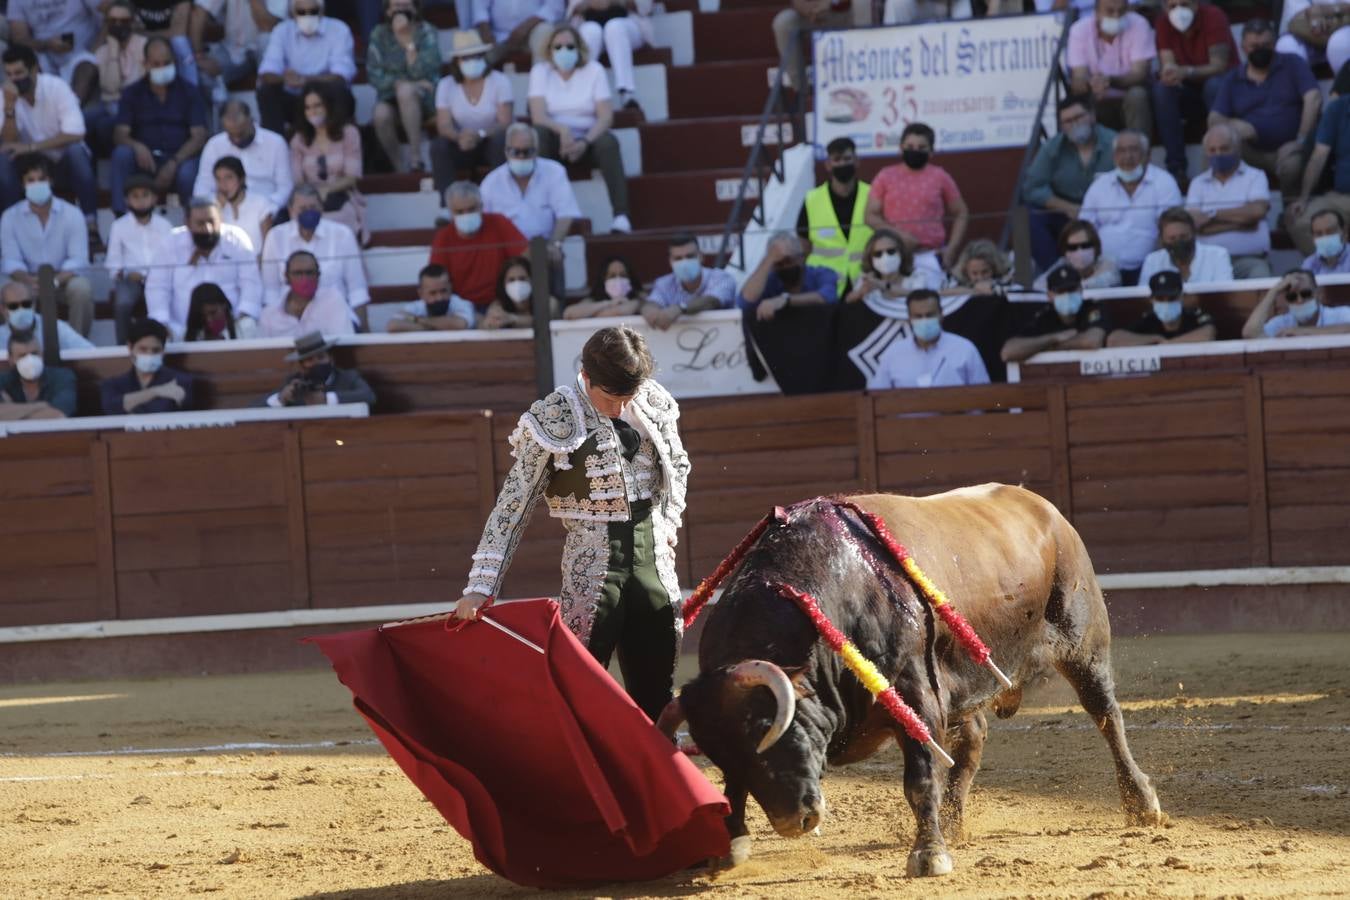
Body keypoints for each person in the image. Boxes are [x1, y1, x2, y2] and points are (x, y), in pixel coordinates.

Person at [455, 324, 691, 723]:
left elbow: (679, 467)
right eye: (610, 398)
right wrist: (481, 585)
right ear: (586, 376)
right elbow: (513, 504)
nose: (619, 408)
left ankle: (650, 782)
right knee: (578, 690)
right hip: (593, 569)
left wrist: (668, 524)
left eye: (627, 397)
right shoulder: (553, 418)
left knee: (657, 696)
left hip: (655, 568)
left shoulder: (653, 402)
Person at [528, 24, 631, 233]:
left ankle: (621, 216)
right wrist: (563, 130)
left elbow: (605, 118)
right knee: (537, 135)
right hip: (555, 138)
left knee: (609, 142)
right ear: (549, 51)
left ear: (579, 48)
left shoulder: (594, 70)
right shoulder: (540, 72)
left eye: (569, 46)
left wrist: (584, 142)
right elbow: (538, 116)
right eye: (557, 47)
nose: (563, 51)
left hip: (588, 138)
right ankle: (542, 213)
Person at [0, 46, 100, 252]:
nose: (14, 79)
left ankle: (92, 227)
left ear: (35, 69)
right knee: (3, 160)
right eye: (9, 74)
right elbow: (7, 143)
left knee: (76, 152)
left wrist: (30, 147)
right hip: (29, 166)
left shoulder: (57, 87)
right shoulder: (5, 95)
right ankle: (10, 229)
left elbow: (76, 132)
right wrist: (9, 109)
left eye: (19, 73)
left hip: (60, 162)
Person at [1208, 19, 1320, 202]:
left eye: (1266, 45)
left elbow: (1313, 98)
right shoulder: (1233, 78)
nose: (1260, 49)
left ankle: (1290, 213)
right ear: (1243, 46)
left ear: (1275, 43)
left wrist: (1301, 140)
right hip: (1250, 151)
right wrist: (1234, 125)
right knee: (1216, 146)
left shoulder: (1292, 63)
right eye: (1254, 46)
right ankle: (1217, 205)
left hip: (1289, 149)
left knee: (1293, 166)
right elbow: (1214, 119)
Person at [110, 36, 208, 216]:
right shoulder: (132, 93)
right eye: (156, 63)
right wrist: (136, 146)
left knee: (188, 174)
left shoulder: (189, 91)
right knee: (121, 155)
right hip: (145, 161)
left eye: (167, 62)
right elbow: (120, 134)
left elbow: (199, 136)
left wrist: (174, 162)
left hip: (180, 159)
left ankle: (195, 223)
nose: (162, 67)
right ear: (145, 64)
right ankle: (120, 220)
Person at [0, 153, 94, 337]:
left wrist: (55, 281)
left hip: (62, 279)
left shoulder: (72, 214)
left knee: (82, 289)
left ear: (50, 180)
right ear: (23, 184)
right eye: (31, 180)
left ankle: (77, 345)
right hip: (26, 281)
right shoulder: (10, 217)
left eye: (41, 179)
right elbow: (11, 261)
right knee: (5, 290)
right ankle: (17, 346)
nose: (37, 184)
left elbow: (78, 259)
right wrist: (28, 281)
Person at [479, 123, 580, 294]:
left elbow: (566, 214)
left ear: (537, 150)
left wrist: (555, 244)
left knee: (552, 255)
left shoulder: (555, 172)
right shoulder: (491, 182)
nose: (521, 156)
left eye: (527, 152)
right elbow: (484, 224)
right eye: (515, 152)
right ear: (506, 151)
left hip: (545, 249)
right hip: (507, 255)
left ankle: (552, 312)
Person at [1022, 95, 1117, 272]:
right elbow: (1032, 188)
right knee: (1026, 215)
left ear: (1092, 116)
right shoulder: (1052, 148)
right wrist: (1066, 207)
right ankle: (1055, 272)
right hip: (1067, 214)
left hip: (1106, 214)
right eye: (1067, 121)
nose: (1074, 124)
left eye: (1079, 117)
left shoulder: (1115, 143)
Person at [145, 196, 263, 339]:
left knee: (249, 325)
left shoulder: (236, 239)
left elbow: (251, 283)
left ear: (221, 219)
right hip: (182, 330)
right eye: (200, 223)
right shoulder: (170, 242)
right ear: (187, 223)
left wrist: (242, 316)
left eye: (212, 222)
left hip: (232, 327)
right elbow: (157, 287)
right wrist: (162, 323)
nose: (207, 229)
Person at [863, 122, 968, 281]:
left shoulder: (940, 177)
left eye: (921, 147)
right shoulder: (885, 176)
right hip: (893, 257)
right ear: (900, 148)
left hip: (930, 256)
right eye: (910, 146)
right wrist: (898, 236)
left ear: (931, 151)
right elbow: (870, 216)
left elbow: (961, 212)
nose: (915, 151)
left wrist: (951, 249)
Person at [1079, 130, 1183, 285]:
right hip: (1105, 268)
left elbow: (1172, 227)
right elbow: (1084, 229)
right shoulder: (1099, 186)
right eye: (1121, 151)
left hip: (1150, 266)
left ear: (1147, 155)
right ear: (1114, 157)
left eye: (1134, 150)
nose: (1128, 157)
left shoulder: (1164, 182)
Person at [1152, 0, 1237, 184]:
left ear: (1196, 5)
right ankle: (1176, 168)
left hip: (1223, 90)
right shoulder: (1163, 22)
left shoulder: (1214, 16)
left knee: (1213, 85)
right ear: (1164, 8)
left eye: (1184, 4)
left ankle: (1222, 161)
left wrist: (1187, 71)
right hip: (1190, 93)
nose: (1178, 10)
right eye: (1172, 6)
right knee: (1162, 89)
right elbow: (1167, 60)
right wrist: (1169, 72)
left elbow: (1219, 65)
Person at [260, 185, 369, 322]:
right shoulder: (275, 236)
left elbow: (357, 290)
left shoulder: (342, 234)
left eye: (313, 208)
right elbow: (271, 291)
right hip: (290, 319)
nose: (309, 212)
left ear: (321, 208)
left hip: (335, 317)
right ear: (291, 210)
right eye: (303, 209)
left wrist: (363, 330)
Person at [1183, 123, 1272, 278]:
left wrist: (1211, 215)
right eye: (1212, 150)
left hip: (1249, 260)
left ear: (1237, 149)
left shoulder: (1256, 176)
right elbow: (1194, 224)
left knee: (1261, 277)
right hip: (1207, 262)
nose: (1218, 154)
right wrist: (1244, 222)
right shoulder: (1198, 183)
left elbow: (1256, 212)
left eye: (1224, 149)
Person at [431, 30, 512, 197]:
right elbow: (444, 124)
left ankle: (501, 199)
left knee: (501, 141)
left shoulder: (500, 81)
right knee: (439, 146)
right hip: (462, 144)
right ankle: (447, 205)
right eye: (466, 58)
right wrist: (458, 137)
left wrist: (480, 135)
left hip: (490, 142)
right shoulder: (446, 85)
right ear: (457, 62)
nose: (473, 61)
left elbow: (505, 122)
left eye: (477, 56)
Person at [256, 0, 356, 134]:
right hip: (295, 102)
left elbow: (341, 76)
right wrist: (284, 79)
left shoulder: (339, 29)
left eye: (313, 11)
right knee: (267, 90)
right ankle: (276, 144)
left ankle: (336, 141)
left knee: (339, 89)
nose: (307, 16)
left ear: (322, 11)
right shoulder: (282, 31)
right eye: (301, 12)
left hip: (327, 99)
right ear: (293, 13)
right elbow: (267, 72)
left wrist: (305, 80)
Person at [429, 180, 528, 312]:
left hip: (503, 302)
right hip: (461, 307)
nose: (466, 215)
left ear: (481, 206)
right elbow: (436, 278)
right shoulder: (444, 237)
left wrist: (505, 299)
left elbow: (525, 256)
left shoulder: (499, 222)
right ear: (451, 213)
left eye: (471, 209)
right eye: (459, 212)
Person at [368, 0, 442, 174]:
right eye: (396, 5)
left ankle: (416, 159)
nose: (401, 9)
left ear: (415, 8)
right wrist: (402, 82)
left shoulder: (427, 31)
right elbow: (374, 75)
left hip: (426, 100)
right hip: (390, 96)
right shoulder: (379, 34)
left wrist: (408, 42)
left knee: (406, 92)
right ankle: (399, 167)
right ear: (387, 11)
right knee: (380, 114)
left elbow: (428, 70)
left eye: (406, 4)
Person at [290, 80, 367, 244]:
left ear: (329, 106)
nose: (313, 112)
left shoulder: (349, 133)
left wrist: (327, 190)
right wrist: (314, 197)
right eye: (308, 107)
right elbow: (298, 181)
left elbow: (352, 177)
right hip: (308, 201)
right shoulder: (299, 140)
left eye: (317, 105)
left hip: (341, 197)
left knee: (340, 223)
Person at [866, 289, 989, 389]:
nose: (924, 320)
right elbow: (878, 396)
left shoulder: (965, 349)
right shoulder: (893, 353)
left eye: (929, 315)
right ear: (909, 318)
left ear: (941, 314)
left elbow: (983, 394)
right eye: (918, 316)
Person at [1067, 0, 1156, 135]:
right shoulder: (1079, 30)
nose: (1116, 16)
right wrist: (1091, 83)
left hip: (1129, 95)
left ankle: (1139, 150)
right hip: (1098, 98)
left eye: (1121, 11)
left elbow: (1140, 73)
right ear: (1096, 13)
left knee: (1137, 95)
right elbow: (1078, 77)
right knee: (1084, 102)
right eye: (1110, 11)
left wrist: (1110, 80)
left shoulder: (1139, 24)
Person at [194, 100, 294, 217]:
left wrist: (267, 209)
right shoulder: (214, 145)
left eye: (240, 133)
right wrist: (215, 206)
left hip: (267, 208)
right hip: (226, 210)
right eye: (231, 135)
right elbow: (203, 187)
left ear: (251, 120)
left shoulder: (276, 142)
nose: (237, 139)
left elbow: (285, 187)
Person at [797, 137, 871, 295]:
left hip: (865, 283)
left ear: (857, 161)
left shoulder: (872, 195)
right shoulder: (812, 199)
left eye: (847, 158)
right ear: (828, 165)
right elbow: (803, 246)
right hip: (825, 285)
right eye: (837, 159)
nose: (843, 164)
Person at [107, 173, 173, 344]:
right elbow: (113, 263)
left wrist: (155, 276)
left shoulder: (165, 226)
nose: (141, 201)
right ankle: (122, 347)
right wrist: (127, 274)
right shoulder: (118, 226)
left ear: (154, 199)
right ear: (127, 201)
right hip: (131, 280)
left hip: (161, 279)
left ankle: (166, 343)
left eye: (145, 195)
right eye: (135, 196)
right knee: (122, 304)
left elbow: (172, 258)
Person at [1002, 265, 1109, 363]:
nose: (1067, 295)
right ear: (1050, 295)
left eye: (1071, 289)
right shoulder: (1045, 315)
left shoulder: (1092, 307)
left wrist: (1046, 347)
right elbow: (1008, 352)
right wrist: (1053, 338)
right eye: (1061, 291)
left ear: (1080, 289)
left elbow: (1092, 341)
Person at [5, 0, 100, 105]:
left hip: (81, 51)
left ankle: (73, 110)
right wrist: (47, 44)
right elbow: (19, 38)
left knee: (86, 67)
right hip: (43, 54)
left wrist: (95, 51)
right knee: (25, 68)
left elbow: (107, 15)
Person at [86, 0, 148, 157]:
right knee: (83, 120)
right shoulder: (103, 51)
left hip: (136, 105)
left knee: (105, 125)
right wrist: (113, 51)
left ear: (133, 22)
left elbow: (136, 87)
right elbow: (112, 87)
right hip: (110, 104)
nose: (118, 25)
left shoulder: (144, 46)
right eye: (113, 21)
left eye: (124, 21)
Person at [99, 317, 197, 414]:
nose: (149, 355)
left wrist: (131, 403)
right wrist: (157, 391)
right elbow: (111, 407)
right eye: (143, 349)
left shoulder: (180, 381)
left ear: (163, 351)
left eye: (156, 350)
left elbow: (160, 409)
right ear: (130, 348)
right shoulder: (113, 384)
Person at [568, 0, 652, 111]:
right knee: (591, 32)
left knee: (614, 27)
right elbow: (573, 10)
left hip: (626, 23)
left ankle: (626, 93)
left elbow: (644, 6)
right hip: (589, 22)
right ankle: (582, 94)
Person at [738, 230, 838, 322]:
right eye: (779, 263)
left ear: (801, 258)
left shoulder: (822, 274)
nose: (784, 266)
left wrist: (785, 300)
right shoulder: (771, 280)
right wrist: (769, 260)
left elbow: (827, 297)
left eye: (788, 261)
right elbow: (745, 302)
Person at [641, 233, 736, 330]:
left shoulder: (722, 278)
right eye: (678, 258)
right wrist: (650, 311)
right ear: (670, 261)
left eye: (690, 256)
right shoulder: (664, 283)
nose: (684, 262)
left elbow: (712, 301)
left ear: (701, 256)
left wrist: (680, 308)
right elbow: (652, 303)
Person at [259, 330, 375, 407]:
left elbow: (369, 396)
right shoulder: (293, 382)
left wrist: (326, 399)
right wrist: (280, 399)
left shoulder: (347, 377)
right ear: (302, 365)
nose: (316, 363)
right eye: (309, 360)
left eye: (321, 357)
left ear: (331, 359)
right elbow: (254, 407)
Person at [772, 0, 866, 95]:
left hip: (844, 13)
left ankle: (866, 82)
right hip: (811, 15)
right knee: (784, 23)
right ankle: (802, 91)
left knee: (862, 3)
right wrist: (810, 11)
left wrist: (827, 3)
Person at [190, 0, 275, 103]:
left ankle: (272, 115)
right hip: (233, 50)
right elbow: (199, 13)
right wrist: (198, 54)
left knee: (265, 39)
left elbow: (266, 26)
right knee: (201, 73)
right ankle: (227, 115)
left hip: (269, 51)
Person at [259, 249, 357, 338]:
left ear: (318, 276)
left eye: (309, 273)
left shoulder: (333, 301)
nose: (304, 279)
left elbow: (343, 344)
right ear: (286, 277)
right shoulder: (269, 316)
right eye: (298, 273)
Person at [1106, 270, 1217, 346]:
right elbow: (1113, 340)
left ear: (1182, 297)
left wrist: (1167, 344)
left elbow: (1207, 334)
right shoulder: (1148, 320)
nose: (1166, 302)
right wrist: (1155, 339)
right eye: (1160, 299)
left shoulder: (1193, 316)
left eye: (1172, 298)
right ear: (1151, 299)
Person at [1139, 206, 1233, 287]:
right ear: (1162, 240)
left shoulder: (1218, 256)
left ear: (1193, 233)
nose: (1178, 242)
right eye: (1172, 238)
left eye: (1183, 237)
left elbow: (1225, 295)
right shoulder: (1152, 261)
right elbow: (1143, 299)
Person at [1242, 269, 1350, 338]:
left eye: (1306, 294)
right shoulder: (1281, 323)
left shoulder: (1339, 314)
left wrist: (1303, 331)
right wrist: (1273, 292)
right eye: (1292, 297)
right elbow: (1250, 333)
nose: (1299, 301)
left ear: (1318, 294)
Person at [0, 330, 76, 418]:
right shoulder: (3, 381)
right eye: (22, 356)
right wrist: (42, 405)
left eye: (34, 353)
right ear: (11, 359)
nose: (30, 360)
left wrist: (13, 412)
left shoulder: (62, 377)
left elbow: (57, 415)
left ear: (42, 354)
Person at [1032, 218, 1122, 290]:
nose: (1080, 251)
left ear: (1095, 247)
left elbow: (1108, 280)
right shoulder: (1063, 263)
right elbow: (1038, 286)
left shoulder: (1108, 262)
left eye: (1085, 245)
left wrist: (1064, 289)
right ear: (1065, 251)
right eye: (1072, 247)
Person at [0, 280, 92, 349]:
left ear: (34, 304)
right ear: (2, 309)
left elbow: (89, 352)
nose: (21, 309)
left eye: (26, 304)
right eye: (13, 306)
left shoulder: (54, 328)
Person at [843, 229, 925, 305]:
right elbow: (848, 301)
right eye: (878, 254)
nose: (885, 257)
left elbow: (918, 296)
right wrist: (862, 290)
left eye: (891, 251)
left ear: (901, 252)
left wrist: (883, 285)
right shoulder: (868, 278)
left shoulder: (917, 276)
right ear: (870, 258)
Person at [388, 262, 477, 331]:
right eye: (433, 293)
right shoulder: (415, 307)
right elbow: (393, 325)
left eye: (443, 291)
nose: (439, 298)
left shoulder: (461, 303)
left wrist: (417, 320)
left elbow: (459, 324)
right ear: (421, 294)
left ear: (450, 288)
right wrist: (438, 326)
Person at [213, 155, 272, 256]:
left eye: (229, 178)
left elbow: (269, 245)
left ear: (241, 179)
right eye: (219, 179)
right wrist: (218, 210)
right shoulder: (212, 208)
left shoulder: (261, 203)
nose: (223, 185)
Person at [474, 0, 562, 65]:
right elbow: (479, 8)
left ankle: (541, 83)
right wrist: (485, 30)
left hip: (532, 31)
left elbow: (554, 7)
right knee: (473, 48)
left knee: (545, 32)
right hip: (497, 36)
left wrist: (526, 27)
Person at [482, 254, 559, 327]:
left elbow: (541, 322)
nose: (517, 284)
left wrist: (511, 318)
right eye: (511, 280)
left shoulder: (548, 302)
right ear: (503, 284)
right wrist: (491, 322)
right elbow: (486, 324)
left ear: (532, 280)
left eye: (522, 279)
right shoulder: (499, 304)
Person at [1277, 0, 1350, 75]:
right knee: (1286, 45)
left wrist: (1331, 9)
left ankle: (1344, 85)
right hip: (1311, 30)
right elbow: (1295, 17)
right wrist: (1313, 16)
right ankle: (1304, 85)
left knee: (1339, 43)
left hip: (1344, 27)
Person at [564, 254, 642, 319]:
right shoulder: (594, 300)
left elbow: (617, 313)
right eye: (612, 276)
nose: (618, 279)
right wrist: (608, 303)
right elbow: (569, 313)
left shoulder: (638, 299)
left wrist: (594, 314)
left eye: (622, 275)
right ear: (603, 280)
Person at [946, 240, 1013, 296]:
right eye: (974, 273)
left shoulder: (1008, 275)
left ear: (994, 268)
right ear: (966, 271)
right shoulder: (955, 278)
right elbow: (942, 292)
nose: (980, 278)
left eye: (985, 272)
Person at [1301, 207, 1350, 274]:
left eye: (1331, 231)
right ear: (1313, 238)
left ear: (1344, 232)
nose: (1325, 237)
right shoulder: (1309, 264)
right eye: (1319, 234)